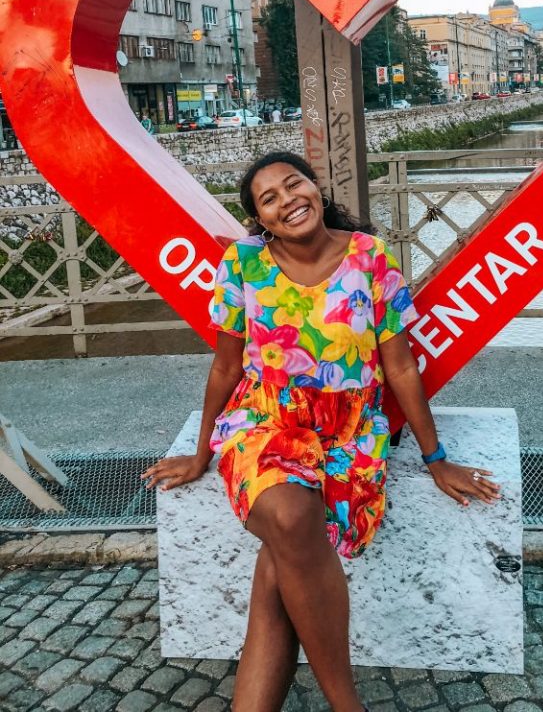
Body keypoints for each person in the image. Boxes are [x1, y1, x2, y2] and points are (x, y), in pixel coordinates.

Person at [142, 151, 500, 711]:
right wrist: (200, 452)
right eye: (269, 198)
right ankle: (346, 703)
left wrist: (436, 458)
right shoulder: (243, 264)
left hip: (347, 435)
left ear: (315, 187)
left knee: (279, 570)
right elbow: (226, 367)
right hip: (264, 422)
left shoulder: (369, 259)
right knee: (288, 514)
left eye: (294, 184)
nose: (288, 200)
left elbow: (400, 366)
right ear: (260, 220)